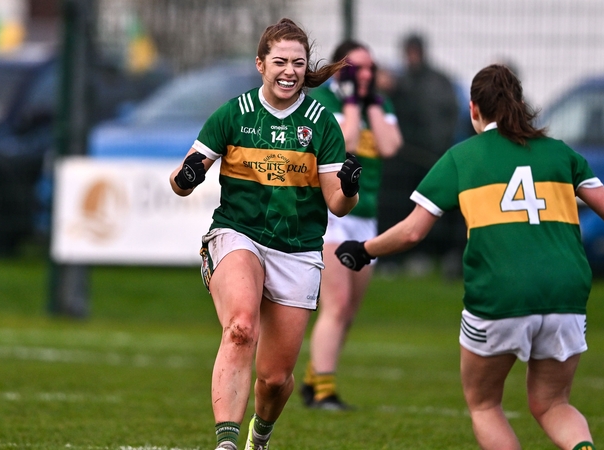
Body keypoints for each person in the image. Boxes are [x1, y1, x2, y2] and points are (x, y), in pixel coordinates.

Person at [333, 64, 604, 450]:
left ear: (474, 109)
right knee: (553, 403)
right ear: (520, 105)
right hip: (565, 292)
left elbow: (412, 231)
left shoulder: (462, 157)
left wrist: (363, 250)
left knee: (485, 404)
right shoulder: (561, 154)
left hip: (499, 293)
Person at [168, 18, 362, 450]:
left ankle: (262, 435)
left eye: (298, 62)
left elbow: (337, 204)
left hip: (297, 250)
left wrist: (349, 187)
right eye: (280, 61)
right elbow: (180, 183)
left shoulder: (321, 123)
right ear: (260, 64)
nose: (290, 70)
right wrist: (189, 175)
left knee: (274, 380)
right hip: (238, 234)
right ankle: (226, 442)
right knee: (239, 327)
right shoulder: (232, 114)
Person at [299, 40, 402, 410]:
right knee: (337, 304)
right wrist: (352, 101)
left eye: (370, 69)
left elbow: (390, 145)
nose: (366, 75)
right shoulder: (325, 102)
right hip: (334, 213)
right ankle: (323, 391)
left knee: (351, 311)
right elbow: (347, 141)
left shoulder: (379, 102)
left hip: (367, 217)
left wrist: (370, 100)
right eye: (357, 68)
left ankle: (313, 378)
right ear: (341, 69)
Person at [381, 33, 463, 277]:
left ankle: (429, 253)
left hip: (432, 155)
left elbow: (450, 115)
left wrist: (441, 143)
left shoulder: (438, 82)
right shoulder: (401, 82)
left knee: (432, 206)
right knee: (403, 207)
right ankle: (403, 256)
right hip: (404, 159)